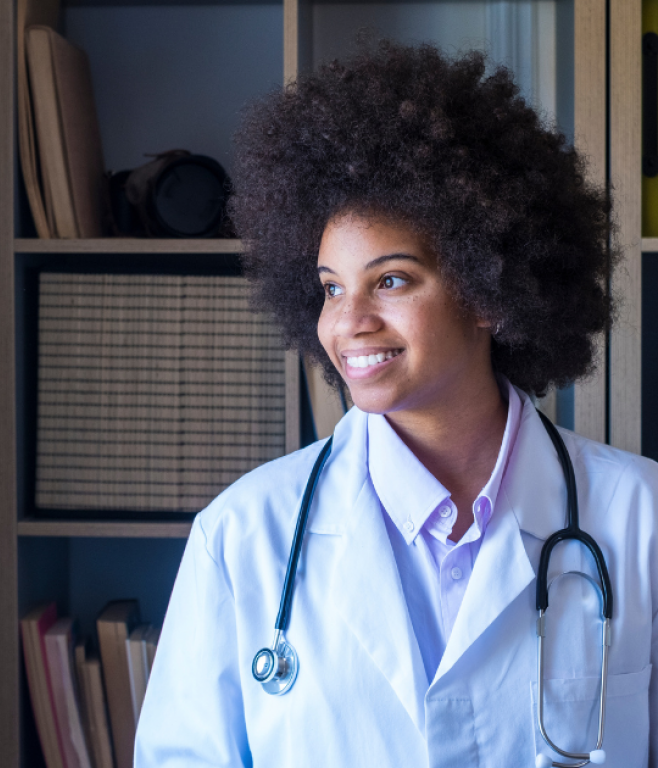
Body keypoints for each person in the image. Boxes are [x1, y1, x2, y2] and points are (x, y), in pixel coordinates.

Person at [134, 42, 658, 766]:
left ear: (488, 292)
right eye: (331, 287)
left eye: (391, 281)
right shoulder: (243, 536)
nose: (348, 324)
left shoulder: (641, 518)